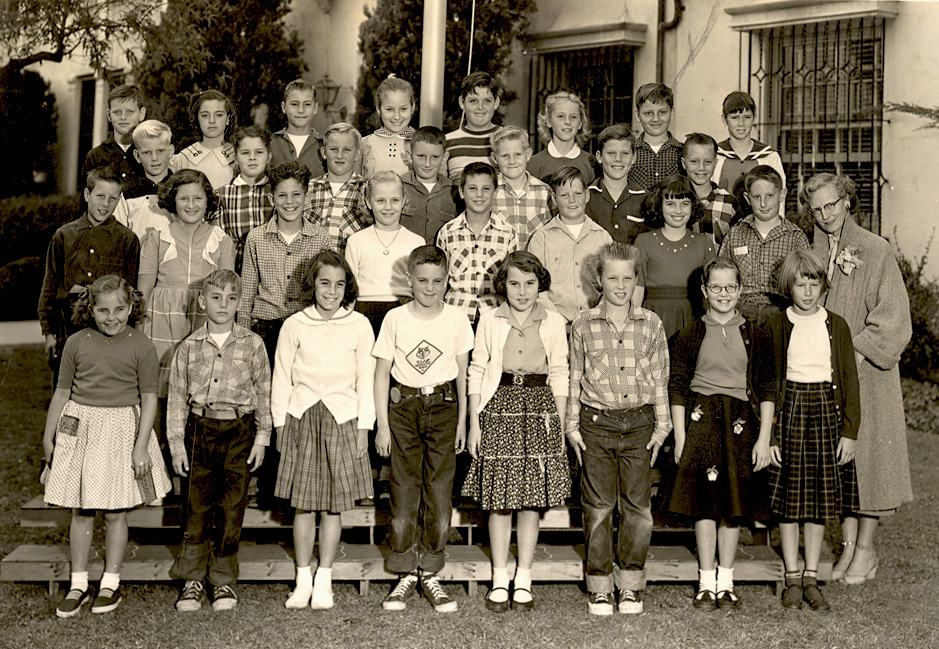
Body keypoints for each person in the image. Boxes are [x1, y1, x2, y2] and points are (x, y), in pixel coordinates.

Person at [803, 172, 912, 585]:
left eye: (832, 205)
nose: (826, 214)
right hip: (821, 374)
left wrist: (852, 353)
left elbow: (894, 320)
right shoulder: (811, 249)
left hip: (867, 373)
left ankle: (866, 550)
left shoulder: (874, 249)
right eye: (817, 209)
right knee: (841, 464)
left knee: (871, 462)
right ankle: (847, 549)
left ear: (847, 201)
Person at [43, 275, 170, 617]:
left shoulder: (142, 345)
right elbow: (62, 392)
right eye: (102, 310)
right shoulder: (76, 342)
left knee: (115, 511)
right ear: (90, 310)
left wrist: (141, 446)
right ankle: (79, 583)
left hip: (120, 430)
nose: (111, 317)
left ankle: (111, 581)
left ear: (131, 307)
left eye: (119, 309)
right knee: (80, 509)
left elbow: (148, 399)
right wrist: (47, 435)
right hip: (80, 428)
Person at [664, 257, 776, 610]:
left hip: (740, 423)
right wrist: (680, 437)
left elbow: (768, 387)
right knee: (704, 507)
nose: (723, 294)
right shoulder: (690, 333)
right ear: (704, 291)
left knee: (732, 505)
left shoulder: (756, 335)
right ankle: (705, 581)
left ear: (740, 290)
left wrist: (764, 439)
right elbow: (678, 387)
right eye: (716, 287)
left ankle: (726, 581)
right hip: (700, 420)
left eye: (730, 287)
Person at [567, 242, 671, 616]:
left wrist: (662, 427)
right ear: (599, 279)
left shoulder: (651, 324)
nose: (621, 285)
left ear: (636, 279)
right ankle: (599, 586)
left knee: (638, 508)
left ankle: (629, 585)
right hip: (596, 424)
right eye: (613, 277)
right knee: (597, 507)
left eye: (628, 277)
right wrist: (572, 424)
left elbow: (660, 378)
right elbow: (575, 376)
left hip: (640, 424)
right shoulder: (582, 324)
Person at [463, 252, 570, 612]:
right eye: (513, 283)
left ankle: (523, 578)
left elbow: (559, 372)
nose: (522, 292)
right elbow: (477, 369)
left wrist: (558, 421)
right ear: (502, 285)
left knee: (529, 499)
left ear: (540, 284)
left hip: (539, 409)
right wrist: (474, 421)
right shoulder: (491, 319)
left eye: (529, 283)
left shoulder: (554, 321)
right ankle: (498, 577)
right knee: (499, 499)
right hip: (498, 408)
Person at [373, 245, 474, 613]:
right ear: (409, 280)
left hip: (445, 408)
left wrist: (463, 419)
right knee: (403, 492)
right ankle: (403, 572)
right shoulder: (395, 319)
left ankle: (430, 570)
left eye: (437, 281)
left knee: (439, 492)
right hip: (403, 409)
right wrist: (382, 425)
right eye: (422, 281)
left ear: (447, 282)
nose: (430, 288)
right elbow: (382, 373)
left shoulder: (458, 319)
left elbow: (463, 375)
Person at [274, 251, 376, 611]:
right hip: (301, 417)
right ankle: (302, 579)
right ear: (312, 285)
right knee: (302, 506)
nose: (331, 291)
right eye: (324, 283)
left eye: (339, 284)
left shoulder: (359, 326)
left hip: (343, 418)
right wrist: (280, 425)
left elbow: (367, 380)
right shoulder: (295, 324)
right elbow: (281, 378)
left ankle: (324, 579)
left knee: (333, 508)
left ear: (347, 287)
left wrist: (365, 427)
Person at [168, 270, 272, 612]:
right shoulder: (188, 348)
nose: (223, 305)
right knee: (196, 507)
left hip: (239, 432)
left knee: (231, 505)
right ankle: (193, 579)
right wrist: (177, 445)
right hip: (199, 428)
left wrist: (261, 437)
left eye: (231, 298)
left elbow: (264, 393)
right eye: (216, 297)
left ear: (239, 303)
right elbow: (176, 399)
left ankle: (223, 580)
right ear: (202, 302)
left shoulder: (253, 344)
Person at [764, 250, 860, 611]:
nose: (806, 290)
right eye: (799, 282)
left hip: (826, 413)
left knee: (817, 499)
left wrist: (849, 432)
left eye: (813, 282)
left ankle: (811, 575)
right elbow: (767, 385)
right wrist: (770, 435)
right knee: (791, 498)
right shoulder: (775, 325)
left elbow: (849, 382)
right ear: (788, 286)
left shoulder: (836, 325)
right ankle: (791, 576)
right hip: (789, 412)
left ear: (823, 285)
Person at [139, 170, 236, 397]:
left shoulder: (221, 239)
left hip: (203, 319)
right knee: (158, 387)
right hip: (161, 319)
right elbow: (143, 289)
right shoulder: (157, 237)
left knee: (200, 385)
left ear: (207, 200)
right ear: (173, 200)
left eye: (197, 198)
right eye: (184, 198)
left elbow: (227, 292)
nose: (191, 205)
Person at [38, 166, 140, 380]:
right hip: (69, 330)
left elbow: (131, 291)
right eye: (100, 196)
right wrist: (49, 334)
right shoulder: (63, 236)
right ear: (87, 195)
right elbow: (50, 287)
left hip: (110, 331)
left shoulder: (127, 239)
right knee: (67, 390)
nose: (105, 204)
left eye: (112, 198)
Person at [239, 161, 330, 363]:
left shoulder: (321, 238)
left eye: (296, 194)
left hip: (307, 326)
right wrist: (244, 333)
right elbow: (247, 290)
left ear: (307, 197)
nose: (290, 202)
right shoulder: (256, 238)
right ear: (272, 199)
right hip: (265, 327)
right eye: (282, 195)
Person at [718, 165, 808, 325]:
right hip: (741, 313)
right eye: (757, 197)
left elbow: (805, 282)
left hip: (781, 311)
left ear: (782, 195)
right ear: (747, 198)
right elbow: (721, 276)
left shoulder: (795, 237)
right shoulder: (735, 234)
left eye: (770, 196)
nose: (763, 203)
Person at [436, 162, 518, 326]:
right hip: (455, 317)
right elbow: (439, 280)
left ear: (495, 193)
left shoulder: (508, 233)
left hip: (495, 318)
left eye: (486, 189)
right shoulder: (447, 232)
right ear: (461, 192)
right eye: (472, 188)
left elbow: (514, 280)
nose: (479, 194)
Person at [634, 175, 716, 339]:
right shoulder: (644, 241)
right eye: (670, 204)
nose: (678, 211)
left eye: (684, 204)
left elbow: (712, 291)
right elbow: (637, 290)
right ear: (659, 206)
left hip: (692, 316)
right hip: (653, 317)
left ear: (693, 206)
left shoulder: (703, 242)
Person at [345, 171, 425, 337]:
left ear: (404, 200)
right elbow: (349, 290)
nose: (388, 207)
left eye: (394, 200)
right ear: (368, 202)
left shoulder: (416, 242)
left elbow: (420, 289)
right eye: (380, 201)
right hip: (364, 311)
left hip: (403, 310)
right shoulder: (356, 241)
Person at [528, 166, 612, 324]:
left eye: (577, 194)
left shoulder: (603, 238)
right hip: (553, 324)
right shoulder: (541, 239)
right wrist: (556, 320)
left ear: (587, 195)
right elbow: (535, 286)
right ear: (554, 199)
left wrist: (596, 315)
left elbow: (611, 285)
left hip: (595, 323)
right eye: (564, 195)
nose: (572, 200)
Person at [212, 126, 275, 270]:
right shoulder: (222, 195)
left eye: (259, 152)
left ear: (269, 156)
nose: (252, 158)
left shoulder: (276, 192)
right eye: (245, 153)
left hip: (270, 267)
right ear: (235, 157)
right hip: (234, 267)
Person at [713, 91, 786, 212]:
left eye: (747, 117)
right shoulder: (716, 155)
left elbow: (779, 202)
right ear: (724, 119)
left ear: (754, 117)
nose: (741, 123)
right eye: (735, 118)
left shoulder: (769, 156)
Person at [304, 122, 370, 254]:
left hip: (348, 269)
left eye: (347, 150)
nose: (340, 155)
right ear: (324, 152)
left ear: (357, 155)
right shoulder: (308, 189)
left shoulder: (365, 190)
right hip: (310, 269)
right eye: (334, 149)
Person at [490, 126, 551, 249]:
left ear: (528, 154)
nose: (512, 161)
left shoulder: (544, 192)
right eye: (505, 156)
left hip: (533, 265)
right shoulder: (489, 192)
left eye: (518, 154)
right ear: (494, 158)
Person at [586, 125, 648, 244]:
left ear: (633, 157)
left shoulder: (646, 198)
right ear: (599, 157)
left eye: (625, 153)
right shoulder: (586, 197)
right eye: (611, 153)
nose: (618, 159)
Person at [114, 120, 175, 240]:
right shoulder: (127, 193)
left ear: (170, 151)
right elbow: (118, 235)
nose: (154, 158)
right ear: (137, 156)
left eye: (160, 151)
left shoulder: (181, 189)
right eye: (147, 153)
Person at [401, 126, 461, 242]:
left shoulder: (454, 192)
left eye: (435, 157)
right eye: (421, 156)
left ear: (444, 158)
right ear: (410, 157)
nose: (427, 164)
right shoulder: (399, 187)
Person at [170, 90, 236, 189]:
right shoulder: (183, 158)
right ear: (197, 119)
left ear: (227, 119)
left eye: (219, 115)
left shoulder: (238, 155)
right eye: (205, 115)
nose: (212, 121)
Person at [81, 84, 146, 184]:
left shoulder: (149, 153)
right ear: (109, 115)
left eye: (129, 112)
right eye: (117, 112)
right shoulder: (95, 156)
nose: (123, 117)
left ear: (141, 114)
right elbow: (86, 197)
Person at [680, 133, 737, 245]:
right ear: (684, 163)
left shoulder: (729, 202)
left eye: (708, 162)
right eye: (694, 161)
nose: (701, 168)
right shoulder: (674, 200)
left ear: (715, 163)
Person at [528, 90, 595, 185]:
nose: (567, 122)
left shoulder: (591, 163)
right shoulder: (533, 164)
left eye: (573, 117)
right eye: (560, 116)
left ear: (580, 123)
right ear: (548, 121)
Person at [446, 72, 502, 181]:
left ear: (496, 103)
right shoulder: (447, 142)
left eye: (487, 101)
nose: (480, 107)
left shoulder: (506, 139)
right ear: (462, 102)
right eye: (473, 101)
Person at [627, 83, 683, 191]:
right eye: (648, 113)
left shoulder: (683, 152)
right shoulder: (629, 152)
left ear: (672, 113)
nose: (656, 119)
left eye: (662, 112)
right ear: (637, 115)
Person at [359, 75, 416, 178]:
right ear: (378, 109)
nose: (397, 117)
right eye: (389, 109)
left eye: (403, 109)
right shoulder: (365, 144)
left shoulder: (421, 143)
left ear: (413, 107)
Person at [270, 79, 325, 178]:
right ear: (283, 107)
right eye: (294, 104)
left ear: (315, 108)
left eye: (307, 104)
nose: (301, 110)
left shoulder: (324, 144)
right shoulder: (271, 143)